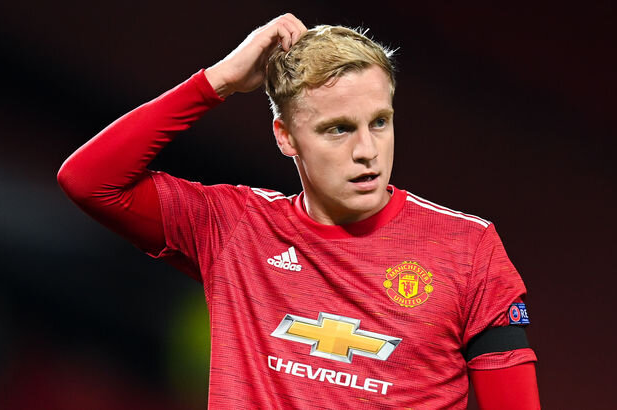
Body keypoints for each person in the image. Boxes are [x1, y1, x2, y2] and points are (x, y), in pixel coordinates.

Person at [58, 13, 540, 409]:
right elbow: (89, 181)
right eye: (338, 129)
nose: (367, 151)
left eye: (379, 122)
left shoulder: (468, 249)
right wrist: (218, 81)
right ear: (285, 137)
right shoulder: (235, 228)